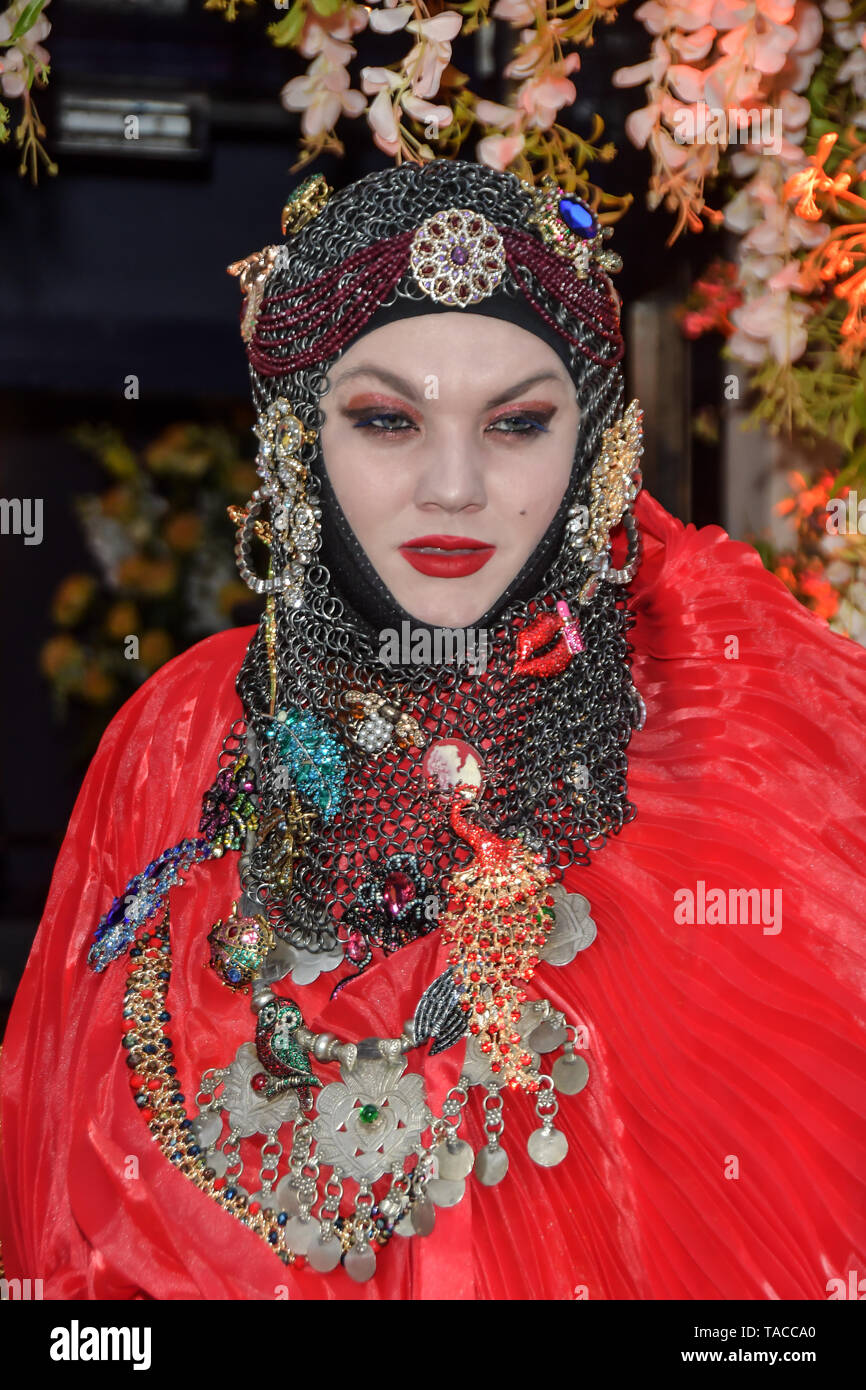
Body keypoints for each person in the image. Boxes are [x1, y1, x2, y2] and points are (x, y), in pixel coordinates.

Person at [1, 159, 864, 1301]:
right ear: (297, 441)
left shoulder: (736, 775)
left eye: (514, 422)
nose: (452, 486)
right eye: (384, 419)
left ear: (595, 451)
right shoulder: (180, 731)